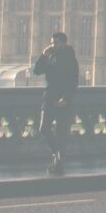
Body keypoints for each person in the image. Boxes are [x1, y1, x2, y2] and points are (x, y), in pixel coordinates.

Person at [32, 32, 80, 176]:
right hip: (49, 97)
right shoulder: (51, 56)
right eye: (52, 43)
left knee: (61, 134)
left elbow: (73, 81)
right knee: (43, 128)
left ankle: (58, 163)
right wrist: (43, 55)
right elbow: (37, 71)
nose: (53, 45)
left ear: (64, 43)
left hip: (63, 100)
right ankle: (57, 154)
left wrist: (66, 98)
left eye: (56, 43)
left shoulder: (71, 59)